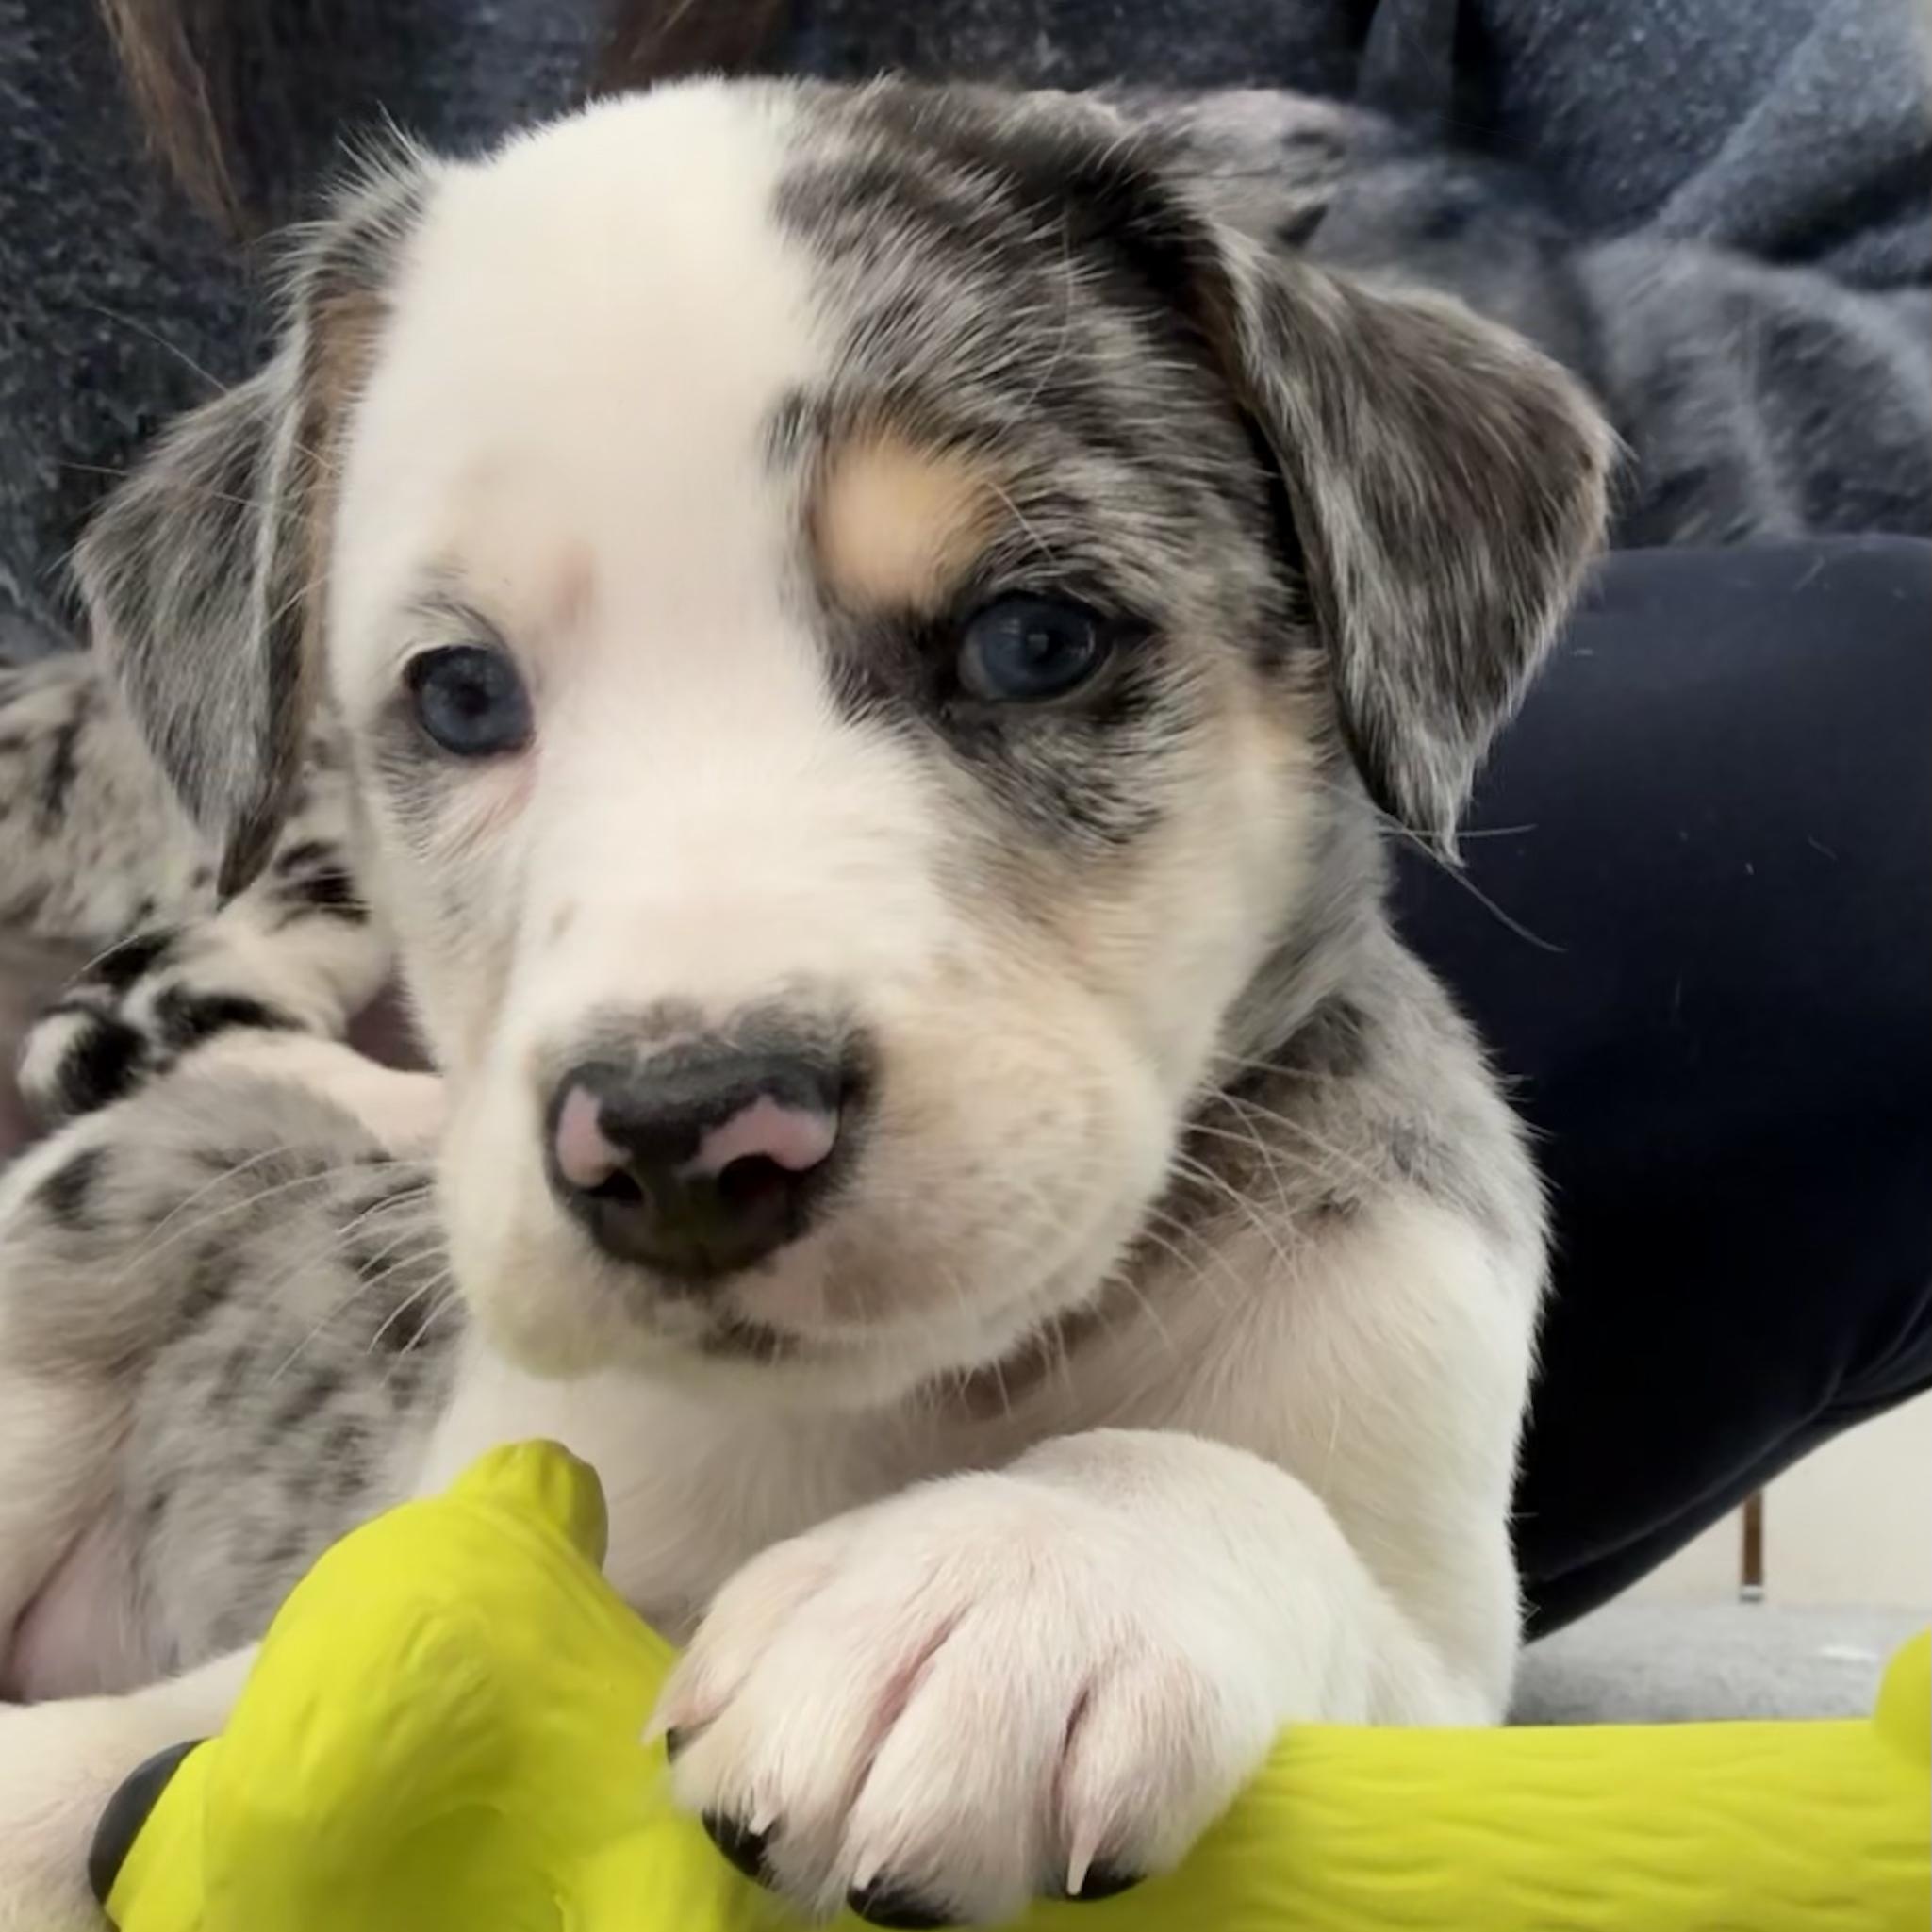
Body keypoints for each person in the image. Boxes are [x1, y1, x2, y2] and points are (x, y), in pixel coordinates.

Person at [0, 0, 1926, 1636]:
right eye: (467, 694)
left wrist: (1270, 253)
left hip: (1465, 915)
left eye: (1028, 641)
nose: (684, 1075)